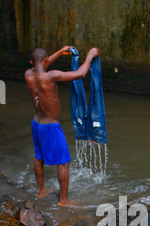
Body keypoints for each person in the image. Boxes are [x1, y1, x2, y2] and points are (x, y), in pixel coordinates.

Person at [25, 45, 100, 206]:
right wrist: (90, 55)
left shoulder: (28, 74)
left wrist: (60, 52)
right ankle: (64, 200)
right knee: (63, 162)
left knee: (39, 157)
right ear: (46, 61)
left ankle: (41, 191)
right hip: (50, 126)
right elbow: (81, 73)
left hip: (36, 123)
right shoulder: (51, 76)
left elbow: (42, 63)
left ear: (31, 62)